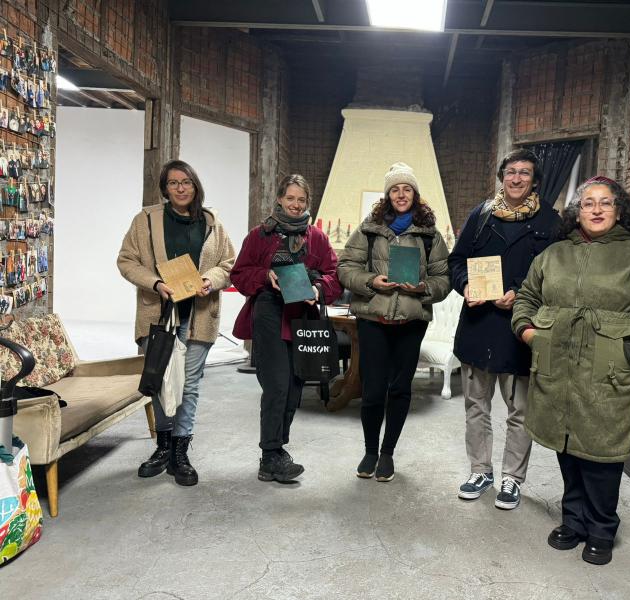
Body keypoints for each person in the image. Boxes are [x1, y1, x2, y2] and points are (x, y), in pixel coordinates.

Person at [511, 175, 630, 565]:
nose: (596, 209)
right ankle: (573, 522)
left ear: (619, 211)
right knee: (567, 446)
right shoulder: (553, 255)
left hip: (608, 371)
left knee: (601, 453)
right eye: (588, 203)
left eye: (605, 203)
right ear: (577, 211)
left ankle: (601, 529)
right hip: (556, 367)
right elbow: (527, 296)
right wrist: (529, 333)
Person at [448, 148, 561, 510]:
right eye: (511, 172)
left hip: (520, 329)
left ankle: (512, 478)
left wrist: (521, 293)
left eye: (524, 173)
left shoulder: (551, 221)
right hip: (478, 325)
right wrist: (466, 285)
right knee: (476, 406)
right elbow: (456, 260)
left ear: (535, 180)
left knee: (520, 410)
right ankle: (480, 471)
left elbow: (557, 276)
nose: (516, 178)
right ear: (502, 177)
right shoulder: (481, 214)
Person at [118, 159, 235, 486]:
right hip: (158, 315)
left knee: (189, 383)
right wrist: (156, 283)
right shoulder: (146, 220)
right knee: (159, 381)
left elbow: (228, 264)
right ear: (165, 188)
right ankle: (163, 446)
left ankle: (180, 451)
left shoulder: (211, 222)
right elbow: (126, 261)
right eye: (173, 183)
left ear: (195, 186)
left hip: (199, 316)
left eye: (186, 182)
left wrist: (210, 280)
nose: (181, 188)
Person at [337, 162, 450, 482]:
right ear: (387, 195)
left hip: (411, 322)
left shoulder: (430, 236)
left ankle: (387, 453)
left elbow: (444, 278)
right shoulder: (368, 230)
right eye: (395, 189)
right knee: (373, 390)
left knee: (400, 389)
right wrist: (371, 281)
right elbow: (345, 268)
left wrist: (423, 288)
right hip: (373, 319)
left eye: (407, 189)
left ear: (415, 194)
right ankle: (370, 451)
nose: (401, 194)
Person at [231, 174, 341, 483]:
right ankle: (270, 453)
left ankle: (277, 451)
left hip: (301, 314)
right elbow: (239, 274)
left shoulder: (317, 238)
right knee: (277, 385)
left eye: (301, 200)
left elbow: (334, 274)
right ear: (279, 199)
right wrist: (265, 276)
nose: (295, 204)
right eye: (290, 198)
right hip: (269, 312)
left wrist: (318, 288)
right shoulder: (260, 235)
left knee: (294, 386)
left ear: (308, 203)